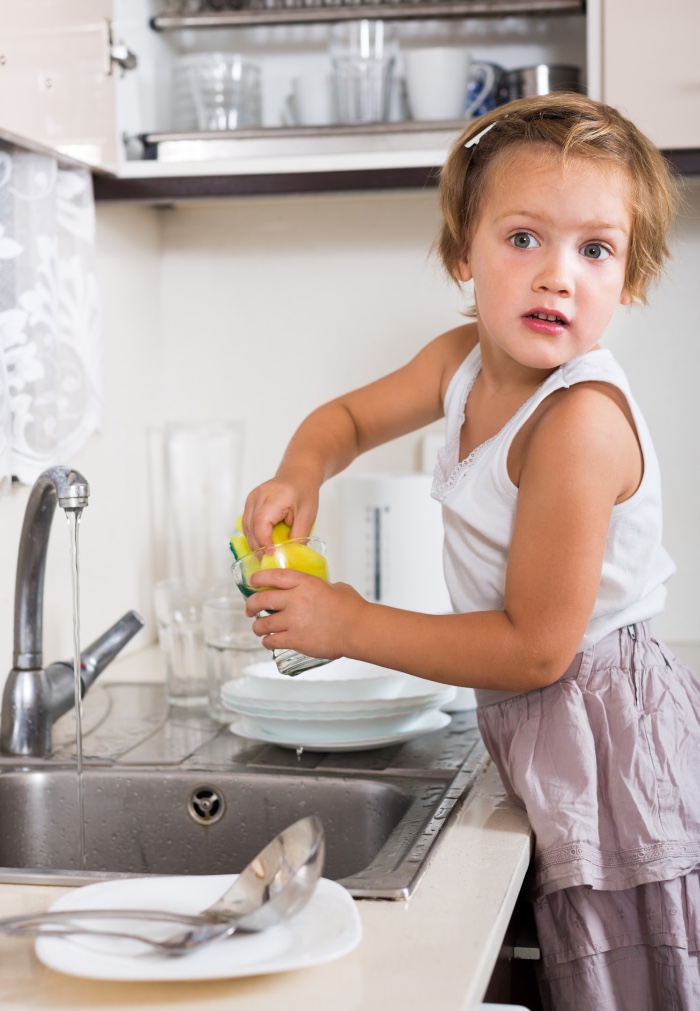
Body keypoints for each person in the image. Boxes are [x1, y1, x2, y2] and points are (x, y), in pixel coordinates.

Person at [239, 93, 700, 1009]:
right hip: (551, 718)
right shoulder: (459, 361)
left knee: (626, 975)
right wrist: (303, 469)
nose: (557, 276)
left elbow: (537, 648)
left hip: (607, 733)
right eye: (524, 238)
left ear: (629, 282)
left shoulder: (577, 423)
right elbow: (348, 418)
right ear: (464, 253)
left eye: (595, 250)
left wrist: (350, 623)